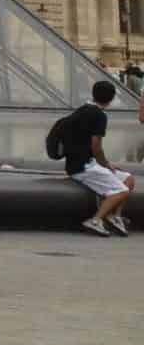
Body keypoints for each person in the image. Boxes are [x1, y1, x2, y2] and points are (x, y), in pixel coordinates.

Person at [64, 79, 133, 236]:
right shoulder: (99, 116)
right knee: (121, 191)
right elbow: (96, 147)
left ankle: (115, 217)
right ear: (112, 98)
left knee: (129, 179)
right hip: (83, 167)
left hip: (81, 163)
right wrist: (107, 164)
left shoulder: (82, 109)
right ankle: (95, 221)